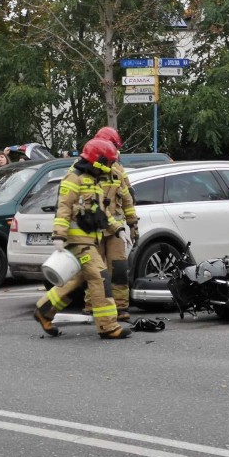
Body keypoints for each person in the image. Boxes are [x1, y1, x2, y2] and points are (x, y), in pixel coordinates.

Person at [32, 138, 132, 340]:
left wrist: (119, 229)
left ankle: (44, 310)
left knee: (80, 279)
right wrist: (58, 236)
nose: (110, 166)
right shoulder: (74, 178)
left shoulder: (93, 180)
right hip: (79, 242)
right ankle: (108, 326)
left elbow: (101, 213)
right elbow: (63, 209)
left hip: (90, 240)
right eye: (108, 162)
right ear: (97, 160)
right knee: (99, 276)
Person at [90, 126, 139, 321]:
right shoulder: (85, 169)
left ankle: (121, 307)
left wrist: (133, 225)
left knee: (119, 268)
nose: (116, 154)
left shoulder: (117, 171)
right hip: (94, 229)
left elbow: (128, 199)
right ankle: (93, 306)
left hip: (116, 231)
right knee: (96, 271)